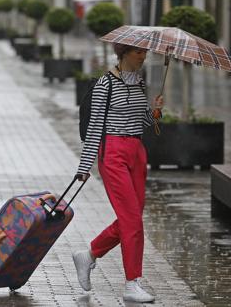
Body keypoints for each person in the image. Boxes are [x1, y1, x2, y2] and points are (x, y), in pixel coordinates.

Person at [73, 43, 163, 303]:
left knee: (131, 218)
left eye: (145, 52)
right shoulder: (105, 84)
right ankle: (132, 283)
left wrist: (155, 111)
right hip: (113, 152)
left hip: (137, 151)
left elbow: (142, 121)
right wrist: (84, 166)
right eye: (139, 53)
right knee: (132, 220)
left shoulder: (139, 83)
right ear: (124, 53)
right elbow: (94, 127)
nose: (144, 56)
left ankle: (88, 255)